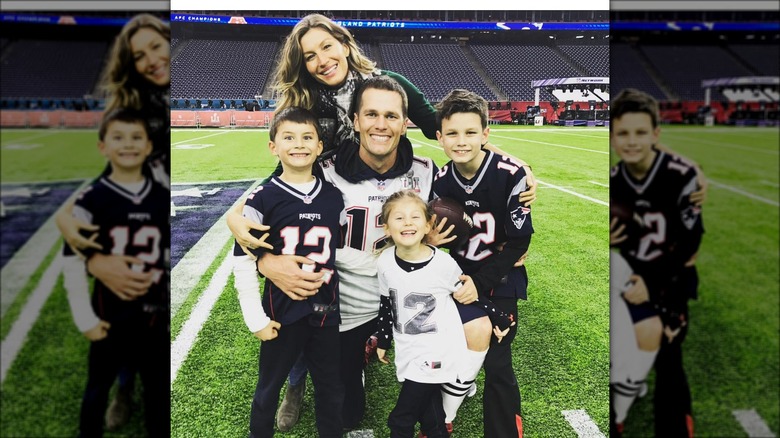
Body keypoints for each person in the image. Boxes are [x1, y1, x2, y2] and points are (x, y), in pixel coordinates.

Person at [226, 14, 536, 430]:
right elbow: (283, 186)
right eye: (310, 55)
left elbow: (449, 137)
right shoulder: (316, 138)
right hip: (348, 296)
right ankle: (298, 381)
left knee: (447, 366)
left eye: (391, 116)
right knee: (342, 403)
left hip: (406, 287)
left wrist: (511, 165)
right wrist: (247, 228)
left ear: (344, 43)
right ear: (354, 122)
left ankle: (451, 383)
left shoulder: (426, 169)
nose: (321, 59)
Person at [54, 13, 171, 428]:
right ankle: (123, 385)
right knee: (126, 309)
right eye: (139, 55)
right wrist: (84, 248)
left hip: (163, 231)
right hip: (139, 233)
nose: (152, 59)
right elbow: (108, 185)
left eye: (157, 45)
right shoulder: (132, 109)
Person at [232, 107, 346, 437]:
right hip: (281, 312)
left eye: (307, 137)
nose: (299, 144)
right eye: (289, 137)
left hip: (326, 310)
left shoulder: (333, 197)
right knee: (268, 389)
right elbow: (242, 261)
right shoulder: (262, 199)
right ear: (273, 147)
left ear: (320, 146)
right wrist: (255, 318)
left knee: (331, 387)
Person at [431, 89, 534, 437]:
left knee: (498, 361)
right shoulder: (441, 181)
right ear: (439, 137)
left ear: (486, 134)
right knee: (442, 347)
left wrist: (480, 280)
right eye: (453, 134)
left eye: (471, 132)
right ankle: (437, 420)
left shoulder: (511, 174)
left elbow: (519, 240)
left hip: (502, 277)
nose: (462, 141)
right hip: (460, 279)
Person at [62, 108, 169, 437]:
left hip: (154, 319)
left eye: (136, 137)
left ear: (149, 147)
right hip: (108, 317)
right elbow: (73, 262)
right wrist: (85, 319)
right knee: (96, 389)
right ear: (102, 147)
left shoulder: (161, 197)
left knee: (158, 394)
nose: (128, 145)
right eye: (118, 137)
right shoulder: (91, 200)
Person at [375, 190, 513, 438]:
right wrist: (384, 339)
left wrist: (500, 317)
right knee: (431, 416)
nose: (407, 222)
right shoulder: (385, 261)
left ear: (428, 225)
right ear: (386, 228)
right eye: (399, 218)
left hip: (435, 350)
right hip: (408, 347)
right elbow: (387, 302)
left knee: (401, 419)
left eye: (415, 217)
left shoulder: (442, 264)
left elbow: (468, 294)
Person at [609, 88, 704, 437]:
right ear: (613, 136)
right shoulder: (615, 181)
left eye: (640, 132)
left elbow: (689, 245)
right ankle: (622, 402)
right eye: (623, 133)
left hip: (670, 280)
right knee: (620, 346)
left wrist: (651, 281)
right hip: (629, 280)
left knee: (668, 356)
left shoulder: (682, 176)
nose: (632, 141)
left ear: (655, 134)